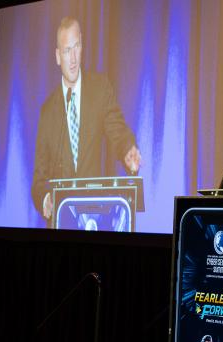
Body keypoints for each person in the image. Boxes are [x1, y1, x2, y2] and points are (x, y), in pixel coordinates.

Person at [31, 17, 142, 223]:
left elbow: (118, 132)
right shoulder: (47, 112)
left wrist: (128, 150)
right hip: (61, 224)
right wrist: (45, 199)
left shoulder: (100, 89)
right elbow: (39, 179)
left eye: (76, 47)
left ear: (82, 45)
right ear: (57, 56)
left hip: (96, 221)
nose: (73, 59)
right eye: (66, 51)